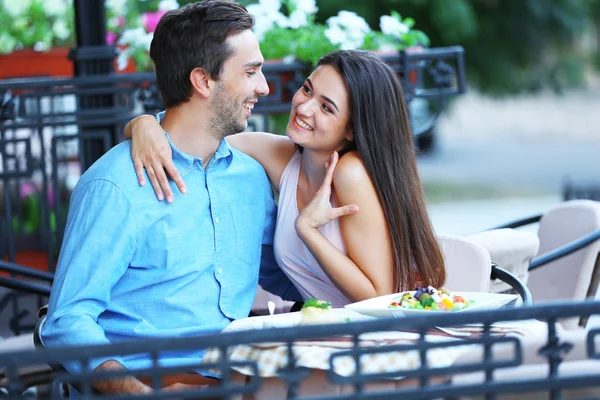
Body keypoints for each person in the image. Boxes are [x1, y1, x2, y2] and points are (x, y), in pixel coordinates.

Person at [42, 1, 301, 396]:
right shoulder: (116, 186)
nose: (264, 86)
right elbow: (67, 320)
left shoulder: (249, 178)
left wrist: (320, 241)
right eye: (250, 72)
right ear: (203, 81)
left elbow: (280, 273)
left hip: (243, 380)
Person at [125, 49, 446, 308]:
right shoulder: (282, 156)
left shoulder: (351, 174)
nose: (304, 107)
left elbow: (380, 297)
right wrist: (143, 125)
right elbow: (190, 139)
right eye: (307, 89)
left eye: (326, 107)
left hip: (368, 343)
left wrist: (309, 231)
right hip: (317, 330)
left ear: (352, 129)